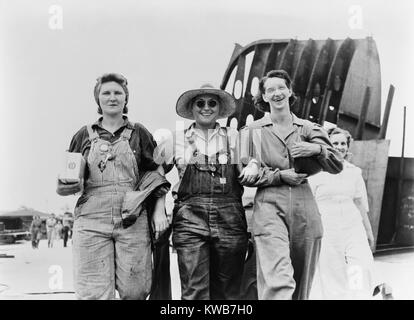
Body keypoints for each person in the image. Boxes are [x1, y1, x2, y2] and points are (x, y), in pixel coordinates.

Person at [56, 73, 170, 300]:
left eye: (118, 93)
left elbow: (158, 172)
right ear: (97, 99)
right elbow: (65, 180)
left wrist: (159, 211)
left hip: (132, 217)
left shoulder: (140, 133)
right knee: (93, 292)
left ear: (126, 98)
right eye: (106, 93)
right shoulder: (83, 135)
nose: (112, 97)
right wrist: (63, 185)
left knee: (136, 290)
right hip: (91, 220)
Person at [238, 70, 343, 300]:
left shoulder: (308, 128)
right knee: (279, 282)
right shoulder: (251, 132)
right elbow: (246, 172)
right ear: (263, 97)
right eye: (270, 90)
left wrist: (316, 149)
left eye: (281, 88)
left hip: (305, 208)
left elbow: (337, 165)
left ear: (290, 91)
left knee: (301, 285)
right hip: (268, 207)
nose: (277, 93)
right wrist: (280, 176)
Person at [156, 84, 253, 300]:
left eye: (212, 103)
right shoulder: (175, 138)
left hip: (230, 219)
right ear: (192, 108)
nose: (206, 107)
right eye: (200, 103)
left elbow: (251, 164)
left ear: (219, 108)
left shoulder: (235, 137)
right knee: (194, 291)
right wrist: (159, 210)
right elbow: (156, 172)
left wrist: (252, 166)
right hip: (189, 219)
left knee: (229, 293)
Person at [308, 127, 380, 299]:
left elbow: (359, 203)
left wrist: (368, 232)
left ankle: (358, 295)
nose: (340, 147)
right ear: (327, 145)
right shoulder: (315, 173)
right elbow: (308, 204)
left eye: (343, 143)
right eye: (335, 143)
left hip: (352, 225)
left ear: (347, 147)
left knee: (359, 265)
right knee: (333, 271)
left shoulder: (354, 172)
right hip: (327, 227)